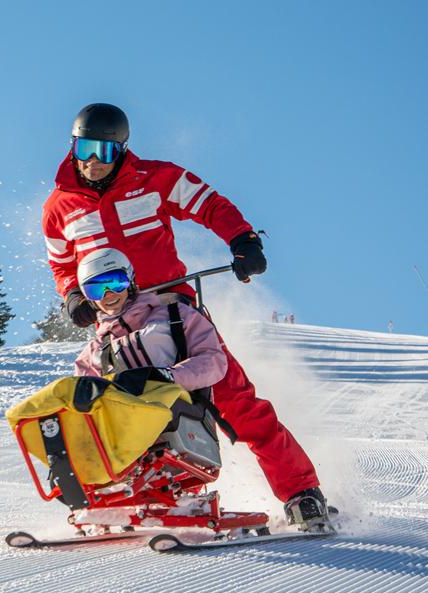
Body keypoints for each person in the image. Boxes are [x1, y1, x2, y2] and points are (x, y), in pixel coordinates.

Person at [41, 102, 329, 530]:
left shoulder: (155, 179)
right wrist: (71, 296)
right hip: (117, 322)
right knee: (112, 407)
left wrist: (242, 240)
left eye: (104, 151)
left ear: (121, 150)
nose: (92, 161)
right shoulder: (59, 207)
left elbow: (210, 204)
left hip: (172, 310)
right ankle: (139, 495)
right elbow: (63, 264)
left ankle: (302, 494)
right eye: (84, 148)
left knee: (233, 399)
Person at [73, 248, 227, 394]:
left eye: (116, 283)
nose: (108, 294)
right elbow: (80, 397)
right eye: (96, 290)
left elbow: (214, 361)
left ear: (130, 280)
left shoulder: (176, 315)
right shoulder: (95, 351)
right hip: (130, 420)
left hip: (183, 415)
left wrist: (168, 377)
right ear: (87, 298)